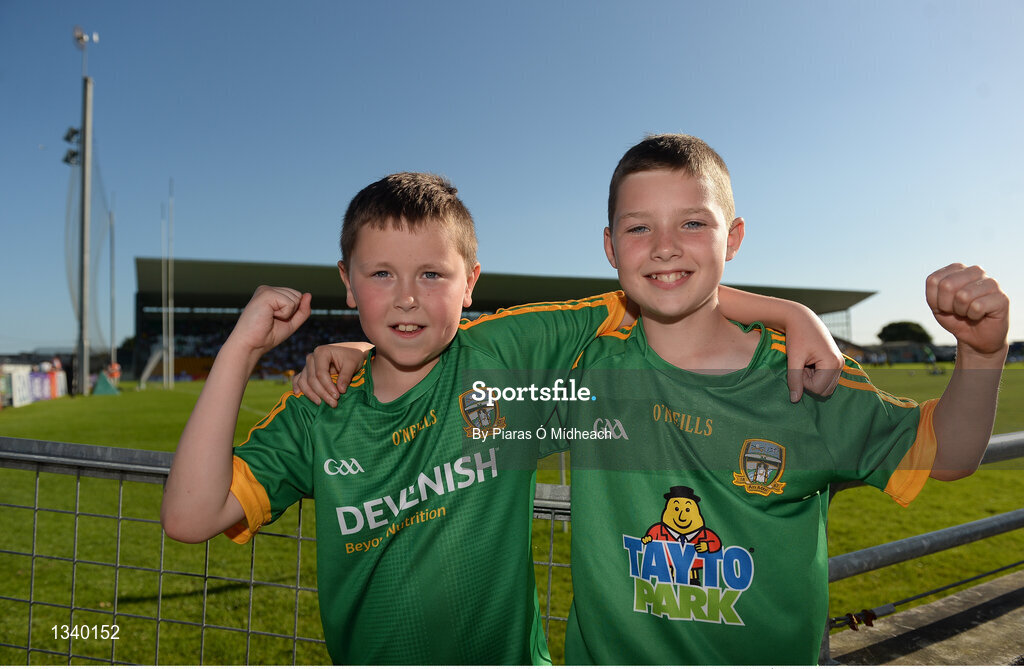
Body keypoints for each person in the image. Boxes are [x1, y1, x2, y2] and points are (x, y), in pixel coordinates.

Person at [297, 136, 1009, 665]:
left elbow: (947, 453)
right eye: (640, 227)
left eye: (692, 223)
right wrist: (367, 349)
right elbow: (447, 354)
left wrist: (980, 354)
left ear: (732, 236)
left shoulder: (806, 378)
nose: (665, 246)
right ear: (611, 245)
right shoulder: (588, 372)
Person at [168, 171, 839, 664]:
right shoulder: (321, 410)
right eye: (382, 275)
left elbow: (660, 282)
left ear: (472, 282)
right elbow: (190, 517)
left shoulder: (505, 353)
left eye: (433, 274)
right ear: (347, 280)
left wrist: (792, 314)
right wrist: (240, 349)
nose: (407, 297)